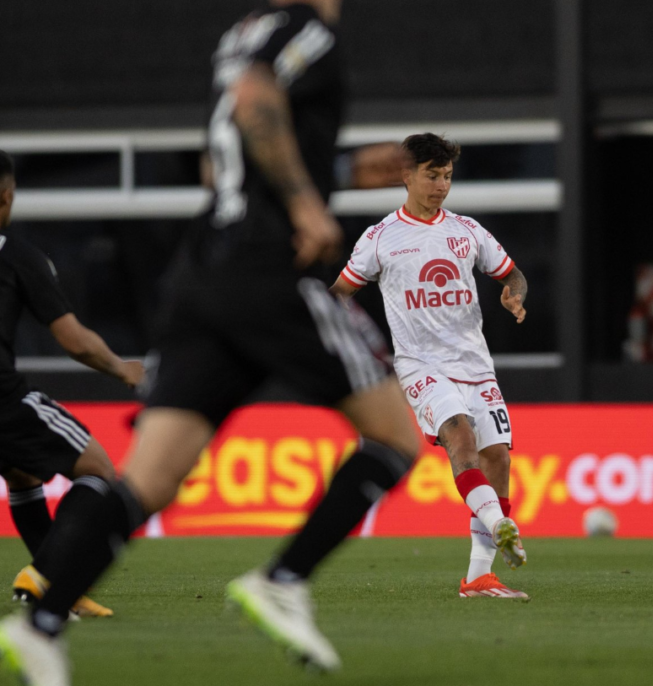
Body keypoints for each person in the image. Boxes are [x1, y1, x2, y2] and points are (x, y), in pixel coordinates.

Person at [0, 1, 426, 683]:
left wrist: (332, 173)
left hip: (204, 275)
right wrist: (306, 202)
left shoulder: (241, 34)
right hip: (271, 269)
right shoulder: (307, 32)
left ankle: (41, 625)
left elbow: (223, 155)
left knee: (149, 479)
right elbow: (257, 98)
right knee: (397, 437)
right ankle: (283, 580)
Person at [333, 133, 529, 599]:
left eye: (447, 176)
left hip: (476, 365)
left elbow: (511, 272)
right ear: (406, 174)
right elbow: (338, 296)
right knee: (458, 436)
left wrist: (515, 291)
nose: (441, 186)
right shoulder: (380, 239)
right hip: (421, 366)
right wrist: (359, 345)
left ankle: (479, 576)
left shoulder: (467, 231)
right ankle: (501, 522)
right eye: (431, 175)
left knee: (497, 457)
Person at [0, 150, 145, 620]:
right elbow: (73, 340)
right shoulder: (18, 256)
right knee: (98, 471)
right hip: (2, 398)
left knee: (21, 474)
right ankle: (46, 575)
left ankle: (59, 590)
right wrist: (123, 369)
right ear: (6, 196)